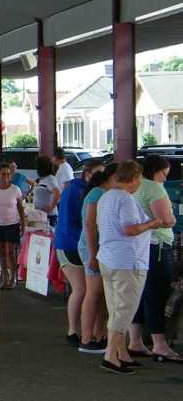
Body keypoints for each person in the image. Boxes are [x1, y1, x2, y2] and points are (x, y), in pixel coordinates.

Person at [96, 160, 162, 374]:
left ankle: (121, 353)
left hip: (108, 258)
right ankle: (110, 356)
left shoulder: (105, 197)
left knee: (116, 309)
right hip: (127, 262)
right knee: (124, 311)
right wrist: (153, 223)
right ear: (134, 179)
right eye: (139, 179)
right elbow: (130, 229)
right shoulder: (125, 199)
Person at [128, 155, 181, 362]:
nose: (166, 179)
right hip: (157, 247)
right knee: (157, 295)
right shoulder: (154, 188)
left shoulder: (136, 186)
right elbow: (167, 220)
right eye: (164, 174)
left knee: (141, 294)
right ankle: (160, 344)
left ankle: (135, 341)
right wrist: (173, 219)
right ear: (156, 171)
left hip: (139, 247)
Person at [55, 159, 104, 346]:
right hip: (70, 244)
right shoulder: (77, 191)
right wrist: (88, 245)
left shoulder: (85, 190)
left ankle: (84, 331)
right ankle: (74, 331)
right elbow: (71, 222)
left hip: (75, 244)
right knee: (82, 290)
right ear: (87, 174)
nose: (101, 177)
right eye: (97, 173)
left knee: (87, 291)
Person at [77, 164, 117, 354]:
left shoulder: (102, 193)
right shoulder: (97, 194)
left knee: (100, 294)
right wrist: (93, 254)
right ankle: (86, 338)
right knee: (93, 293)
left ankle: (97, 334)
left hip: (99, 249)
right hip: (92, 248)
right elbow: (89, 225)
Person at [34, 155, 60, 227]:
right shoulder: (43, 179)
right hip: (41, 214)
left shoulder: (50, 179)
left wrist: (51, 207)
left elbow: (57, 194)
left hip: (49, 216)